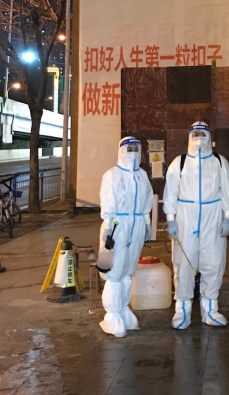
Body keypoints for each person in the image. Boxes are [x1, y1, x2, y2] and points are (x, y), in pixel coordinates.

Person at [163, 121, 229, 329]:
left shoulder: (219, 162)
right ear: (189, 137)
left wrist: (227, 216)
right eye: (195, 134)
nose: (199, 138)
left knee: (213, 261)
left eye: (203, 134)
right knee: (184, 262)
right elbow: (170, 192)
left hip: (212, 216)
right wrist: (170, 219)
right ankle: (182, 309)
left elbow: (227, 189)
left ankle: (210, 308)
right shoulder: (179, 163)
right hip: (186, 217)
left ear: (210, 137)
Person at [99, 136, 154, 337]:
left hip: (136, 225)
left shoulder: (142, 175)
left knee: (128, 271)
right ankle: (112, 315)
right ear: (121, 150)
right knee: (115, 271)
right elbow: (108, 201)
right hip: (117, 226)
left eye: (135, 149)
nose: (132, 153)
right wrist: (107, 227)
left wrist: (146, 223)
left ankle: (123, 310)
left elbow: (147, 200)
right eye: (128, 149)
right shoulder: (112, 175)